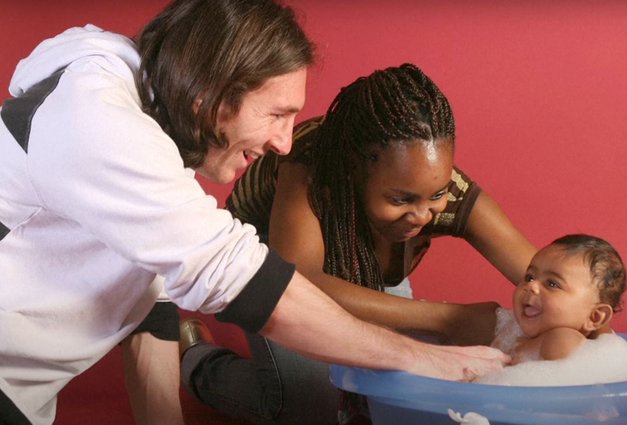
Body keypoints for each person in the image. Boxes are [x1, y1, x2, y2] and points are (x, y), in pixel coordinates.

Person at [0, 3, 509, 425]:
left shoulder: (149, 139)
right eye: (277, 114)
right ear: (211, 97)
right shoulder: (95, 121)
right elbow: (238, 279)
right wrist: (424, 357)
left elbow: (147, 307)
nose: (283, 141)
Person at [179, 63, 537, 425]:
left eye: (436, 194)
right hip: (272, 258)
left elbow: (550, 278)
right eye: (401, 199)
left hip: (360, 264)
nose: (422, 215)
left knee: (393, 390)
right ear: (355, 170)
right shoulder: (309, 167)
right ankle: (198, 360)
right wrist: (447, 319)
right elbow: (299, 283)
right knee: (313, 405)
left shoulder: (443, 193)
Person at [491, 234, 627, 365]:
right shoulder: (512, 328)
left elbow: (563, 347)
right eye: (529, 277)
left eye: (552, 284)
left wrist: (519, 351)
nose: (531, 285)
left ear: (594, 317)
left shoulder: (565, 340)